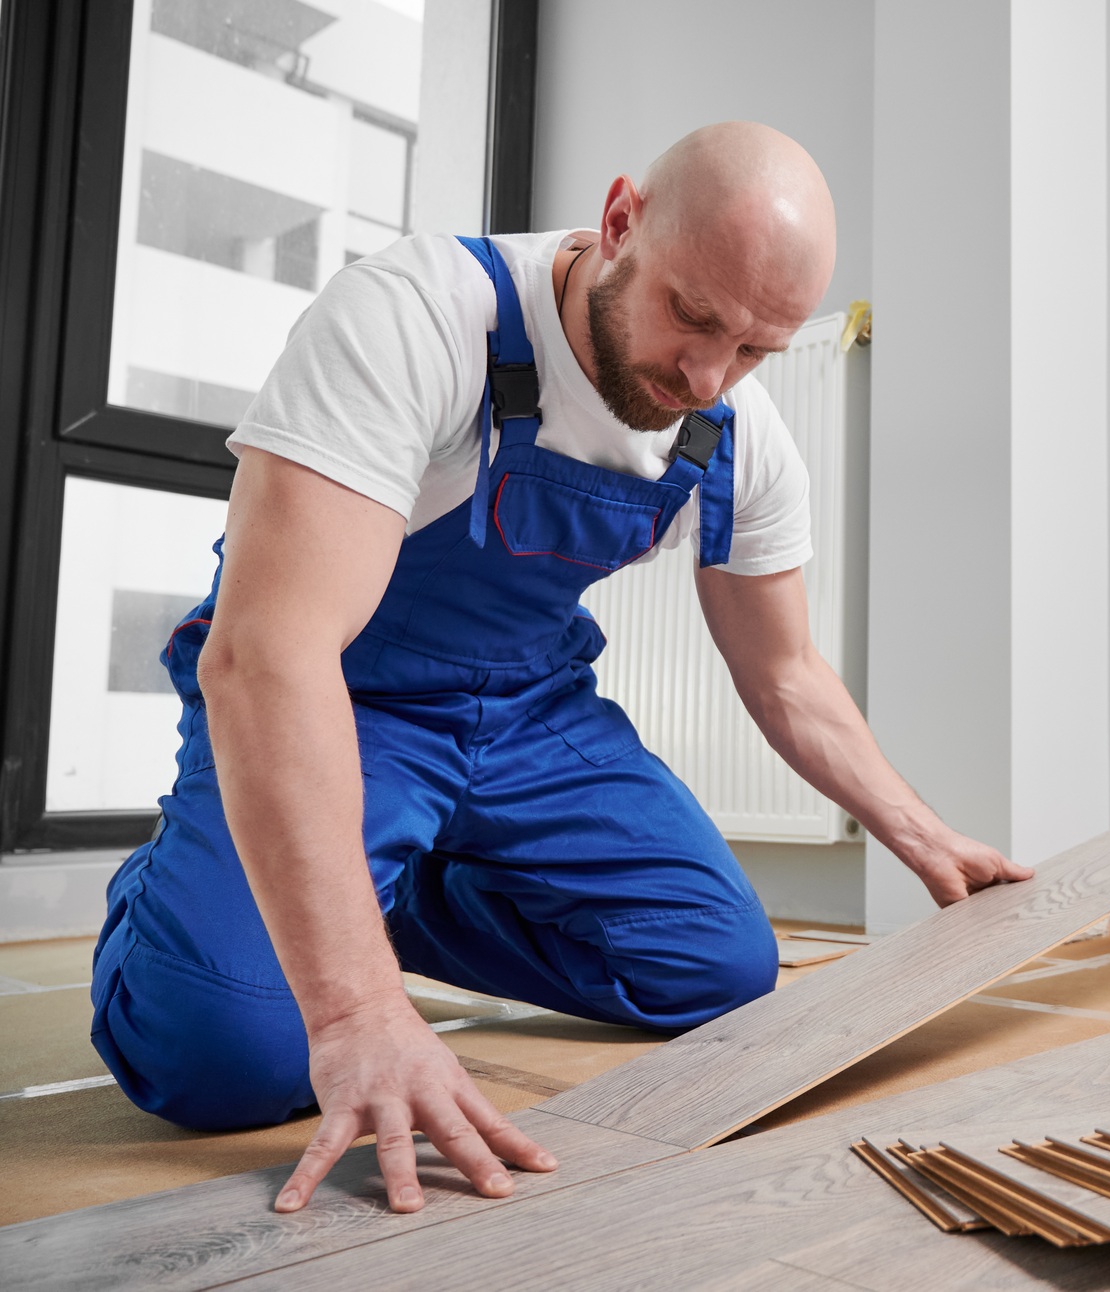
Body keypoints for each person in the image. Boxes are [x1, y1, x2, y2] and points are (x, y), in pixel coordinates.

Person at [87, 121, 1030, 1215]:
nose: (707, 375)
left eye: (757, 349)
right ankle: (189, 897)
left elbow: (786, 673)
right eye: (693, 315)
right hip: (346, 696)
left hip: (530, 715)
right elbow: (267, 655)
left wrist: (922, 835)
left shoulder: (739, 434)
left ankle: (373, 880)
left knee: (714, 968)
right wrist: (353, 1012)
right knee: (226, 1054)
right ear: (621, 218)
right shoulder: (421, 315)